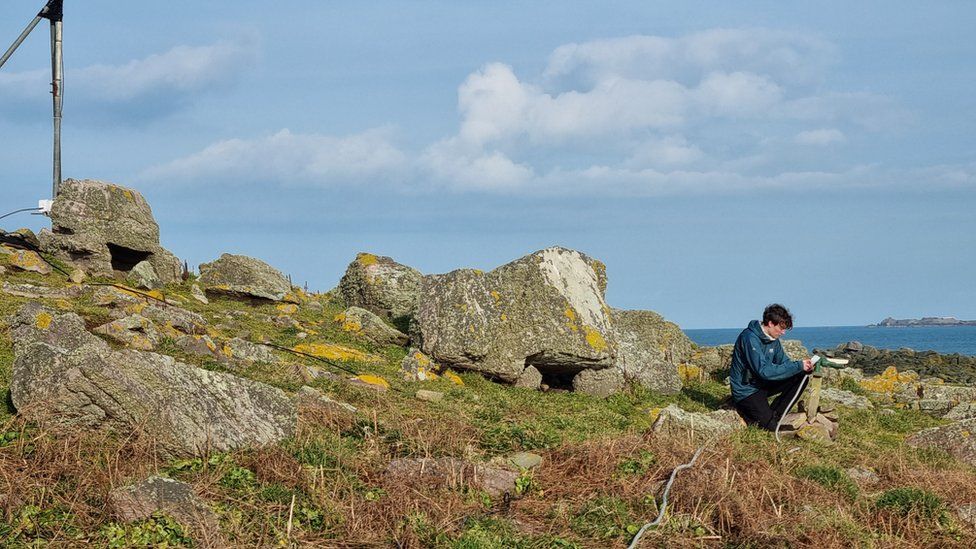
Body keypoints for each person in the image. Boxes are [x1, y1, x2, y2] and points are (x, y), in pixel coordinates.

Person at [730, 304, 814, 430]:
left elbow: (784, 363)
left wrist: (803, 367)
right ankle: (748, 412)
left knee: (800, 376)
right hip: (747, 390)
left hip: (763, 384)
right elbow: (763, 371)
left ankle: (775, 415)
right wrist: (797, 366)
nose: (783, 332)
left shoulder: (773, 339)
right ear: (770, 323)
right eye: (781, 328)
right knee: (770, 427)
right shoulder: (749, 338)